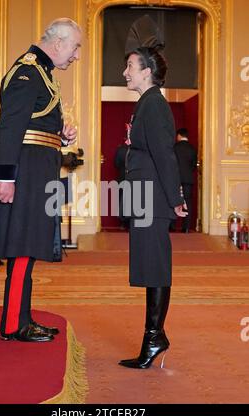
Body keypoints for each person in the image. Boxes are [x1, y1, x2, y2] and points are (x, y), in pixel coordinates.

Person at [0, 18, 82, 342]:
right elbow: (10, 128)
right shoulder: (27, 72)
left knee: (28, 246)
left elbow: (33, 128)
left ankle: (22, 318)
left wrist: (60, 137)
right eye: (75, 47)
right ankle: (13, 324)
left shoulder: (43, 74)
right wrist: (5, 178)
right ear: (58, 43)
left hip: (36, 171)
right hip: (25, 174)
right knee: (21, 246)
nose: (76, 55)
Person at [118, 47, 187, 369]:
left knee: (155, 265)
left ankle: (154, 336)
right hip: (142, 194)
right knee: (148, 265)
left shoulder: (155, 104)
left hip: (153, 197)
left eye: (130, 66)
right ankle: (153, 336)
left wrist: (176, 198)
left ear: (147, 72)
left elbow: (165, 154)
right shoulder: (146, 103)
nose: (125, 72)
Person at [171, 128, 197, 233]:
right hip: (188, 179)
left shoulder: (174, 147)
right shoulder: (192, 148)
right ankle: (186, 227)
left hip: (175, 179)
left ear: (179, 136)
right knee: (188, 202)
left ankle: (171, 226)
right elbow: (194, 165)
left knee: (172, 200)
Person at [114, 143, 129, 229]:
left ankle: (122, 223)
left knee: (121, 200)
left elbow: (116, 163)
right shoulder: (139, 149)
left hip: (122, 177)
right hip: (135, 178)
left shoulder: (121, 149)